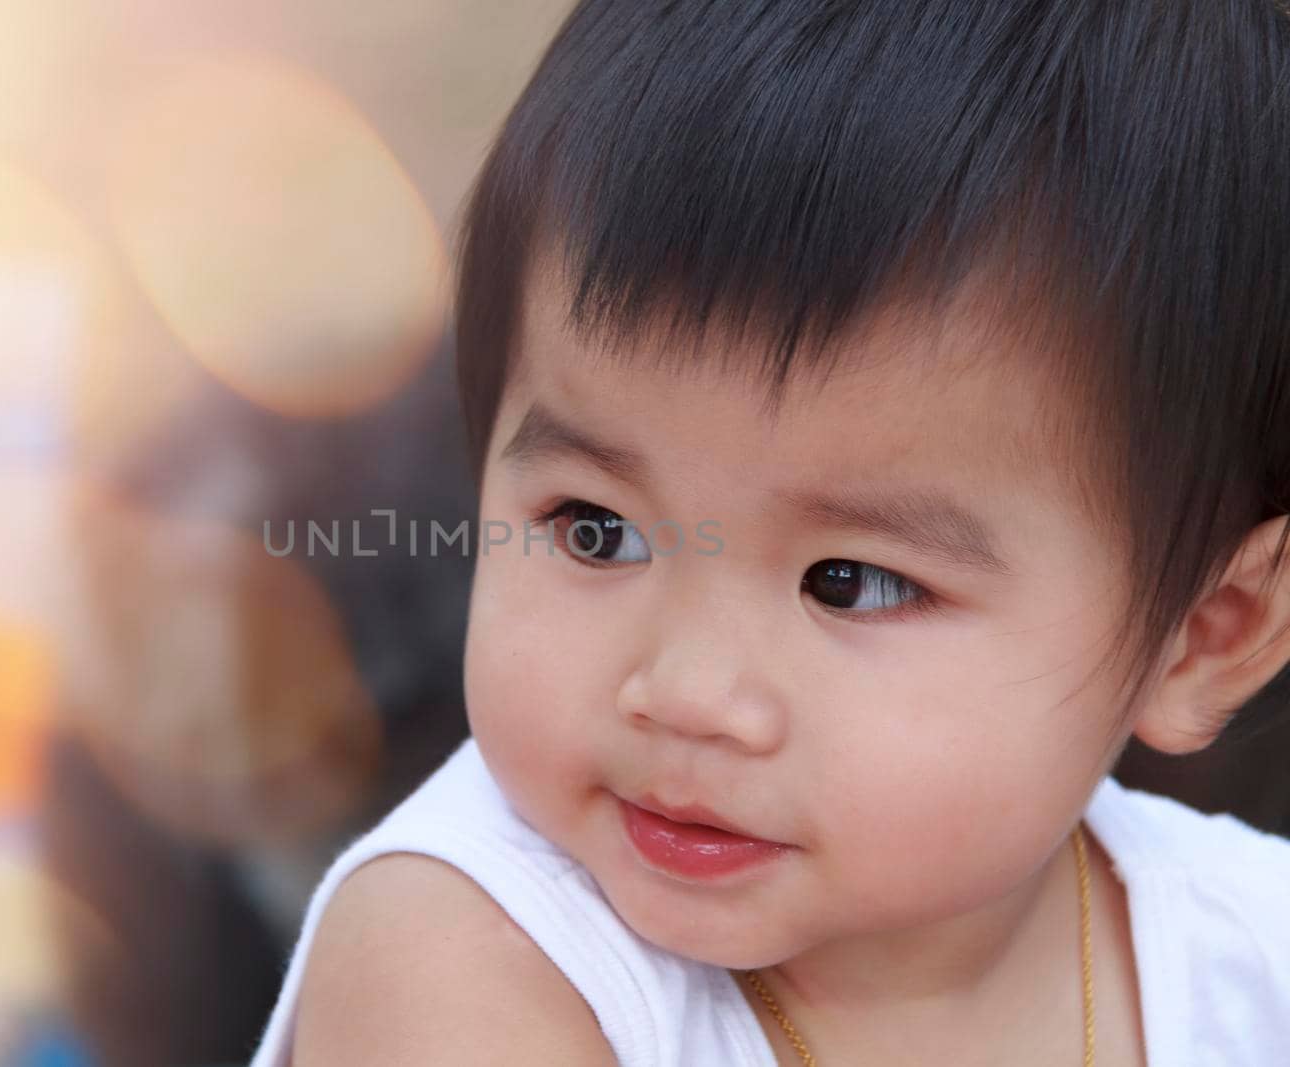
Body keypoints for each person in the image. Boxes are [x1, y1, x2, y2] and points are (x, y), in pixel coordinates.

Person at [250, 1, 1290, 1063]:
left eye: (851, 581)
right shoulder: (462, 956)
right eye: (596, 529)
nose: (689, 691)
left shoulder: (1250, 952)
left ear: (1205, 631)